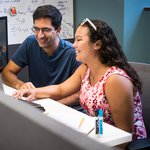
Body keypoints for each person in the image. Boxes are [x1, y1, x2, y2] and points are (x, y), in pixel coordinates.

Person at [13, 18, 147, 139]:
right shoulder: (86, 69)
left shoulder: (115, 80)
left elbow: (124, 133)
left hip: (120, 143)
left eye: (79, 40)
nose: (73, 45)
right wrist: (33, 92)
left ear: (97, 45)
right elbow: (60, 89)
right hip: (99, 135)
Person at [2, 5, 81, 108]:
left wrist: (50, 105)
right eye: (36, 29)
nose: (40, 35)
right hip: (38, 104)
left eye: (45, 30)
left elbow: (79, 94)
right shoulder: (30, 43)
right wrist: (20, 85)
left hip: (65, 108)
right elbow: (6, 72)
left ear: (58, 30)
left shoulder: (72, 53)